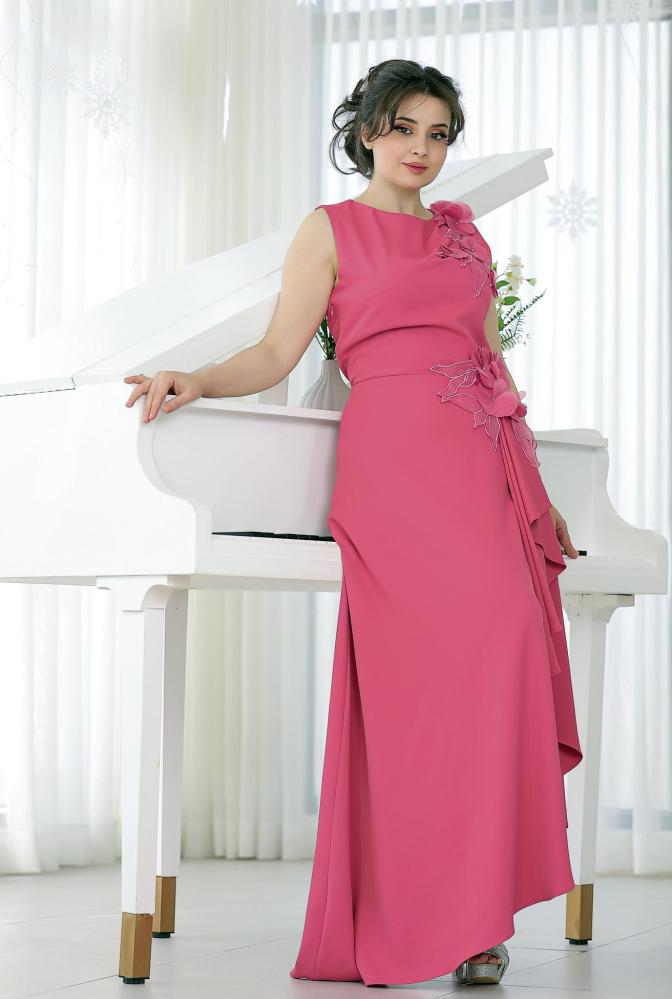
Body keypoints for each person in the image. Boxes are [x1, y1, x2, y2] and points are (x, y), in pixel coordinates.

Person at [123, 58, 583, 989]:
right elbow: (275, 351)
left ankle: (477, 913)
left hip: (479, 461)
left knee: (501, 649)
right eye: (404, 128)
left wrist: (535, 488)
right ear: (367, 130)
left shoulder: (465, 237)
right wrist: (197, 378)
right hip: (393, 466)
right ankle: (441, 917)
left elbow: (493, 365)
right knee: (417, 697)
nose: (421, 148)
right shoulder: (330, 229)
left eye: (438, 134)